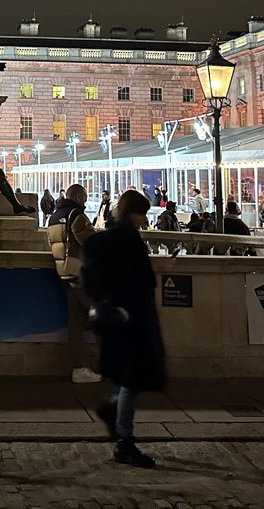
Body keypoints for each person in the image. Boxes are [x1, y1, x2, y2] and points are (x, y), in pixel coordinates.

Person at [81, 189, 163, 469]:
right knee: (132, 379)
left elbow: (90, 279)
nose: (144, 220)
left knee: (128, 377)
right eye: (143, 214)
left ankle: (112, 409)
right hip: (133, 320)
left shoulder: (100, 241)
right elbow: (143, 281)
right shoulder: (131, 242)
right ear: (134, 213)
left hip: (112, 317)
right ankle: (124, 442)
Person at [46, 183, 101, 383]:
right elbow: (91, 242)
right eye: (85, 199)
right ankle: (112, 364)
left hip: (65, 274)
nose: (85, 203)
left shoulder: (52, 218)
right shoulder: (76, 215)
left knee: (76, 324)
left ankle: (80, 368)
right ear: (78, 197)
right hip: (81, 274)